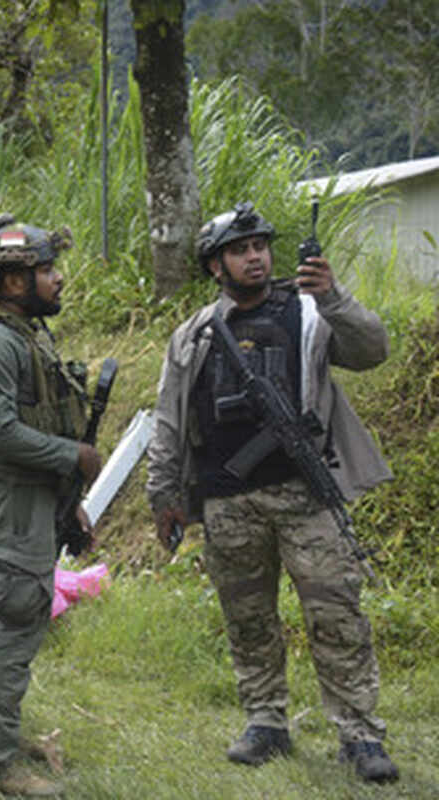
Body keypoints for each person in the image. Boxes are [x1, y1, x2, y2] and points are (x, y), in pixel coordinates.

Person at [146, 202, 399, 783]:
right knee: (248, 617)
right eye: (240, 249)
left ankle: (359, 734)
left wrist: (335, 296)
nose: (255, 256)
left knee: (337, 613)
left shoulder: (310, 312)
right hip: (228, 499)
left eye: (261, 245)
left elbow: (372, 350)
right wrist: (165, 496)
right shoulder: (193, 335)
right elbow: (168, 419)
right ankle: (265, 720)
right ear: (217, 266)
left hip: (306, 494)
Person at [0, 214, 101, 797]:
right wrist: (75, 456)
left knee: (24, 619)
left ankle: (3, 740)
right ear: (14, 283)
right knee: (16, 620)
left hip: (34, 500)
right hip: (10, 504)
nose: (58, 278)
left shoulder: (25, 335)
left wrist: (72, 499)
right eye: (46, 269)